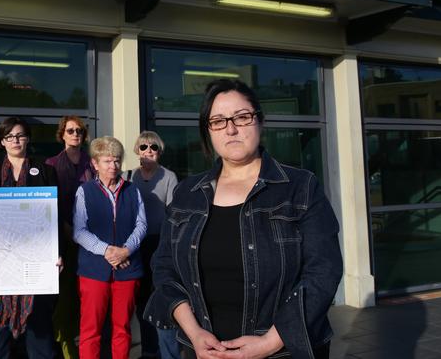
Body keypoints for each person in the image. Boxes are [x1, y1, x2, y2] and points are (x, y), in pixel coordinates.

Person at [145, 79, 343, 359]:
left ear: (260, 122)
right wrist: (194, 333)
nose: (231, 128)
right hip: (203, 351)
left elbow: (324, 271)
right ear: (208, 131)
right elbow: (164, 267)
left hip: (282, 352)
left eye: (242, 116)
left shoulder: (300, 186)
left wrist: (271, 342)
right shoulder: (186, 193)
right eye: (218, 121)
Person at [0, 116, 59, 359]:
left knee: (40, 341)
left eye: (20, 135)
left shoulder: (45, 170)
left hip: (35, 265)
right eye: (9, 136)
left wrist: (58, 253)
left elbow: (56, 217)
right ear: (2, 141)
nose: (15, 140)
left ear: (28, 139)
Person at [73, 136, 147, 359]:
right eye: (107, 161)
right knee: (90, 330)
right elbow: (79, 231)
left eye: (116, 160)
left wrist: (125, 250)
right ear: (95, 164)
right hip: (93, 270)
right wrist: (108, 251)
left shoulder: (132, 191)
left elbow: (141, 225)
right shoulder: (85, 191)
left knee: (122, 329)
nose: (113, 166)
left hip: (128, 268)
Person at [124, 131, 179, 359]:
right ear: (137, 150)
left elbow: (174, 215)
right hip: (135, 245)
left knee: (162, 297)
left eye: (154, 147)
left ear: (160, 151)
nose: (149, 151)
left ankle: (167, 352)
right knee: (141, 299)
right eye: (144, 147)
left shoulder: (169, 177)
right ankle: (148, 350)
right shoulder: (128, 176)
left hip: (160, 243)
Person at [45, 115, 95, 359]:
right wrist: (66, 229)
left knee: (87, 298)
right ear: (62, 134)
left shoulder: (93, 164)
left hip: (91, 241)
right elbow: (49, 204)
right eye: (71, 130)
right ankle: (66, 350)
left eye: (79, 131)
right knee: (64, 300)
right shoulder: (51, 164)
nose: (76, 134)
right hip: (63, 240)